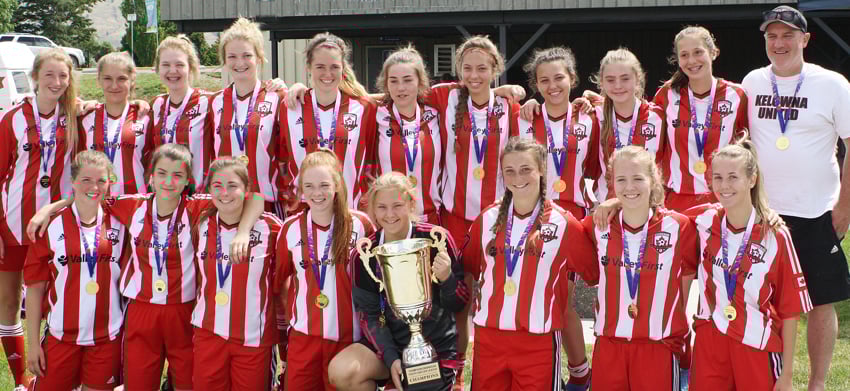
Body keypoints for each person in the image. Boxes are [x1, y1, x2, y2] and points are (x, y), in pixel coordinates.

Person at [26, 143, 266, 390]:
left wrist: (245, 231)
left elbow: (255, 197)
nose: (168, 182)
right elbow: (89, 194)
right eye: (161, 173)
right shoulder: (133, 205)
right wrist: (49, 208)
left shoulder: (196, 207)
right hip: (141, 311)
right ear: (150, 177)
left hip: (182, 311)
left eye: (178, 175)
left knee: (185, 382)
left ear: (188, 181)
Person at [742, 6, 850, 390]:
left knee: (822, 301)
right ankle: (767, 378)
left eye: (788, 35)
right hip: (764, 214)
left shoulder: (832, 84)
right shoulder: (752, 82)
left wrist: (845, 206)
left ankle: (817, 383)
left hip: (816, 211)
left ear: (805, 39)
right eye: (772, 36)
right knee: (760, 300)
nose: (779, 43)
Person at [462, 137, 593, 391]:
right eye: (509, 171)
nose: (517, 177)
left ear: (541, 170)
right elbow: (467, 267)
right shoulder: (487, 218)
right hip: (490, 340)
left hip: (538, 344)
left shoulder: (564, 224)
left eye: (525, 169)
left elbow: (594, 272)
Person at [426, 36, 522, 386]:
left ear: (496, 70)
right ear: (458, 71)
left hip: (497, 219)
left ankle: (500, 368)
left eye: (483, 68)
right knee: (460, 301)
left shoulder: (509, 107)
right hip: (455, 218)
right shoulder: (445, 96)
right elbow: (395, 93)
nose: (475, 75)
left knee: (499, 294)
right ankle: (456, 373)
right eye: (468, 68)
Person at [683, 138, 811, 391]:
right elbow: (652, 214)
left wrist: (786, 376)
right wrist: (614, 203)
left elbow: (790, 309)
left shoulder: (775, 235)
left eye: (733, 177)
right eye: (718, 177)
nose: (724, 185)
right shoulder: (705, 220)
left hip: (756, 344)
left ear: (751, 180)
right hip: (711, 341)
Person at [328, 172, 467, 391]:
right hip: (388, 348)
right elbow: (370, 315)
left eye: (397, 205)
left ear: (411, 204)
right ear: (372, 208)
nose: (390, 214)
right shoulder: (364, 255)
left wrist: (447, 279)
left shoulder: (436, 240)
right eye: (381, 207)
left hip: (433, 349)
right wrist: (392, 357)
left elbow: (460, 303)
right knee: (343, 370)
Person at [576, 146, 697, 390]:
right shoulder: (597, 225)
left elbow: (723, 216)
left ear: (653, 181)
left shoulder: (680, 226)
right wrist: (611, 203)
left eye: (638, 178)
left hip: (657, 349)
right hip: (610, 347)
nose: (629, 187)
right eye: (621, 179)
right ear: (612, 183)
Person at [0, 48, 81, 390]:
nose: (57, 82)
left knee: (56, 299)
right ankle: (22, 381)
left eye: (63, 76)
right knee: (7, 302)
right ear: (34, 77)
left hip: (58, 226)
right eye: (49, 75)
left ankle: (61, 374)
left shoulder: (76, 116)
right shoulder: (12, 119)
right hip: (13, 224)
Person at [517, 46, 597, 390]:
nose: (552, 86)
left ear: (573, 79)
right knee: (533, 296)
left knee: (560, 298)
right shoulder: (523, 118)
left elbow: (596, 166)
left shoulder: (592, 118)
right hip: (531, 218)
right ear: (536, 84)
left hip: (571, 220)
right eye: (544, 80)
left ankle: (579, 373)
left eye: (559, 78)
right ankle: (544, 368)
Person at [24, 150, 130, 391]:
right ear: (72, 182)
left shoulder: (123, 221)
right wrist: (32, 344)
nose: (94, 186)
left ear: (109, 183)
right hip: (61, 336)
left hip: (107, 337)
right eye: (86, 180)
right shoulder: (49, 226)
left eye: (101, 180)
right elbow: (34, 287)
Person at [275, 150, 376, 391]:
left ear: (338, 185)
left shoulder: (361, 225)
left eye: (324, 185)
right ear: (300, 189)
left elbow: (376, 280)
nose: (316, 193)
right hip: (303, 339)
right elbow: (279, 282)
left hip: (347, 340)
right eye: (308, 186)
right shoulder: (289, 229)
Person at [191, 156, 283, 390]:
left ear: (246, 189)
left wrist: (244, 231)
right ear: (209, 190)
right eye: (217, 186)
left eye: (233, 186)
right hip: (208, 334)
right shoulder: (199, 219)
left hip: (253, 339)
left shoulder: (270, 227)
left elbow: (259, 199)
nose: (225, 193)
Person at [653, 26, 749, 211]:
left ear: (714, 52)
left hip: (724, 200)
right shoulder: (668, 93)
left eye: (698, 52)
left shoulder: (737, 95)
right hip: (676, 202)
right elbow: (638, 117)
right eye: (684, 55)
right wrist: (599, 102)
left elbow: (749, 149)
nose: (692, 61)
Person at [278, 32, 377, 211]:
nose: (327, 74)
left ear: (343, 68)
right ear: (309, 67)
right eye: (320, 67)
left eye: (334, 67)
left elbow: (370, 159)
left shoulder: (364, 108)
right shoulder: (289, 106)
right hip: (303, 211)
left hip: (349, 212)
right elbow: (282, 158)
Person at [208, 18, 288, 214]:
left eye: (247, 55)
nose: (240, 63)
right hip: (227, 204)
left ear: (259, 58)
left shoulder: (278, 97)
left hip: (267, 204)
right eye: (232, 56)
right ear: (224, 61)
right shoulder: (214, 102)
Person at [373, 46, 444, 224]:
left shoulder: (436, 113)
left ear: (420, 82)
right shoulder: (376, 114)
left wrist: (499, 90)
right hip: (390, 221)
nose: (401, 88)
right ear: (386, 84)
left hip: (431, 219)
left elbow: (471, 93)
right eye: (394, 81)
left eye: (407, 80)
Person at [78, 52, 153, 196]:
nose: (114, 85)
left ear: (132, 80)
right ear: (98, 80)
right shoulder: (85, 118)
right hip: (96, 205)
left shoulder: (146, 117)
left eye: (121, 79)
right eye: (107, 78)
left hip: (136, 205)